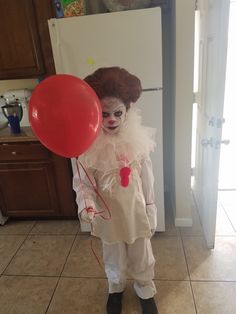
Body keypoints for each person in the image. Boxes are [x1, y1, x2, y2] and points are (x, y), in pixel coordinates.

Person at [73, 67, 158, 314]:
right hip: (107, 213)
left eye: (117, 113)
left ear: (127, 112)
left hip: (135, 210)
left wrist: (151, 208)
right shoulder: (89, 148)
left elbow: (147, 179)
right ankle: (116, 287)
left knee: (141, 252)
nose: (111, 120)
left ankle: (145, 288)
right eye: (105, 114)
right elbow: (83, 182)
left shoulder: (137, 143)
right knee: (113, 253)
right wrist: (86, 204)